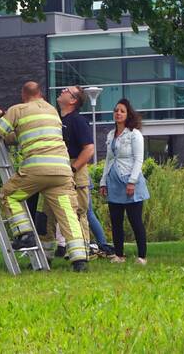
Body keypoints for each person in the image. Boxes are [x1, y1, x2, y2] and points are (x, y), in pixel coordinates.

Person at [0, 81, 89, 272]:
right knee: (68, 215)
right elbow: (22, 135)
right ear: (40, 94)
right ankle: (80, 261)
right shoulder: (52, 111)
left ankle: (24, 233)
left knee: (9, 195)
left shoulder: (18, 109)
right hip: (62, 171)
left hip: (36, 169)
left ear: (23, 94)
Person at [48, 86, 116, 259]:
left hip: (74, 173)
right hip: (56, 169)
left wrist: (72, 169)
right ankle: (52, 253)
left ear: (73, 100)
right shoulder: (55, 118)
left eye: (66, 91)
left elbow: (89, 149)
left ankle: (84, 252)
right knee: (50, 213)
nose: (61, 91)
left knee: (79, 213)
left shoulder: (78, 120)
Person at [100, 98, 149, 265]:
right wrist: (103, 181)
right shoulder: (110, 135)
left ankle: (142, 256)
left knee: (135, 221)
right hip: (113, 182)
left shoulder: (134, 134)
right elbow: (108, 159)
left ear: (128, 115)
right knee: (116, 221)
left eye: (122, 111)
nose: (118, 113)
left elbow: (138, 159)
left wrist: (132, 181)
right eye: (116, 110)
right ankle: (119, 255)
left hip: (129, 181)